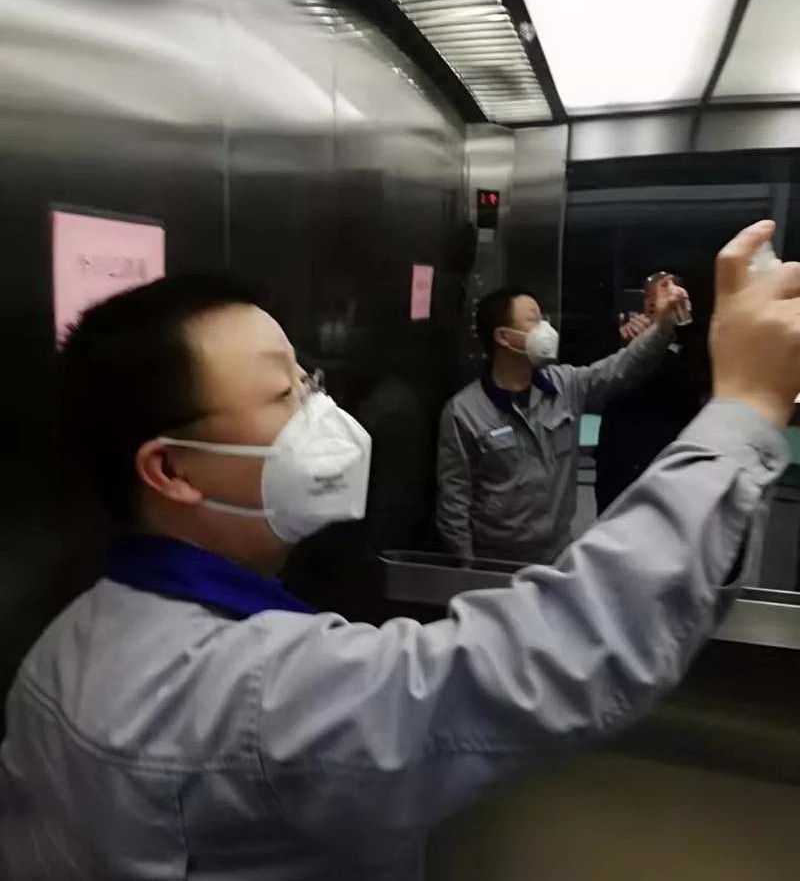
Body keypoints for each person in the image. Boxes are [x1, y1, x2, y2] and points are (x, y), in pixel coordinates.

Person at [1, 221, 797, 881]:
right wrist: (746, 409)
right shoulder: (254, 695)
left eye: (309, 379)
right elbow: (563, 649)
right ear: (171, 470)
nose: (320, 411)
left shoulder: (58, 653)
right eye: (283, 394)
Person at [436, 274, 689, 563]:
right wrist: (466, 570)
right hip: (493, 561)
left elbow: (623, 368)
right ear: (504, 337)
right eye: (533, 321)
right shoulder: (464, 412)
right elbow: (454, 504)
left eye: (543, 319)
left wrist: (663, 326)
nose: (545, 329)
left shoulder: (564, 386)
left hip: (556, 557)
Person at [595, 272, 711, 515]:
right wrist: (629, 348)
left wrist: (669, 334)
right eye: (649, 295)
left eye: (667, 293)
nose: (654, 301)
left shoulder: (695, 344)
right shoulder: (625, 336)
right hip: (620, 460)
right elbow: (601, 385)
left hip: (669, 461)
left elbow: (695, 387)